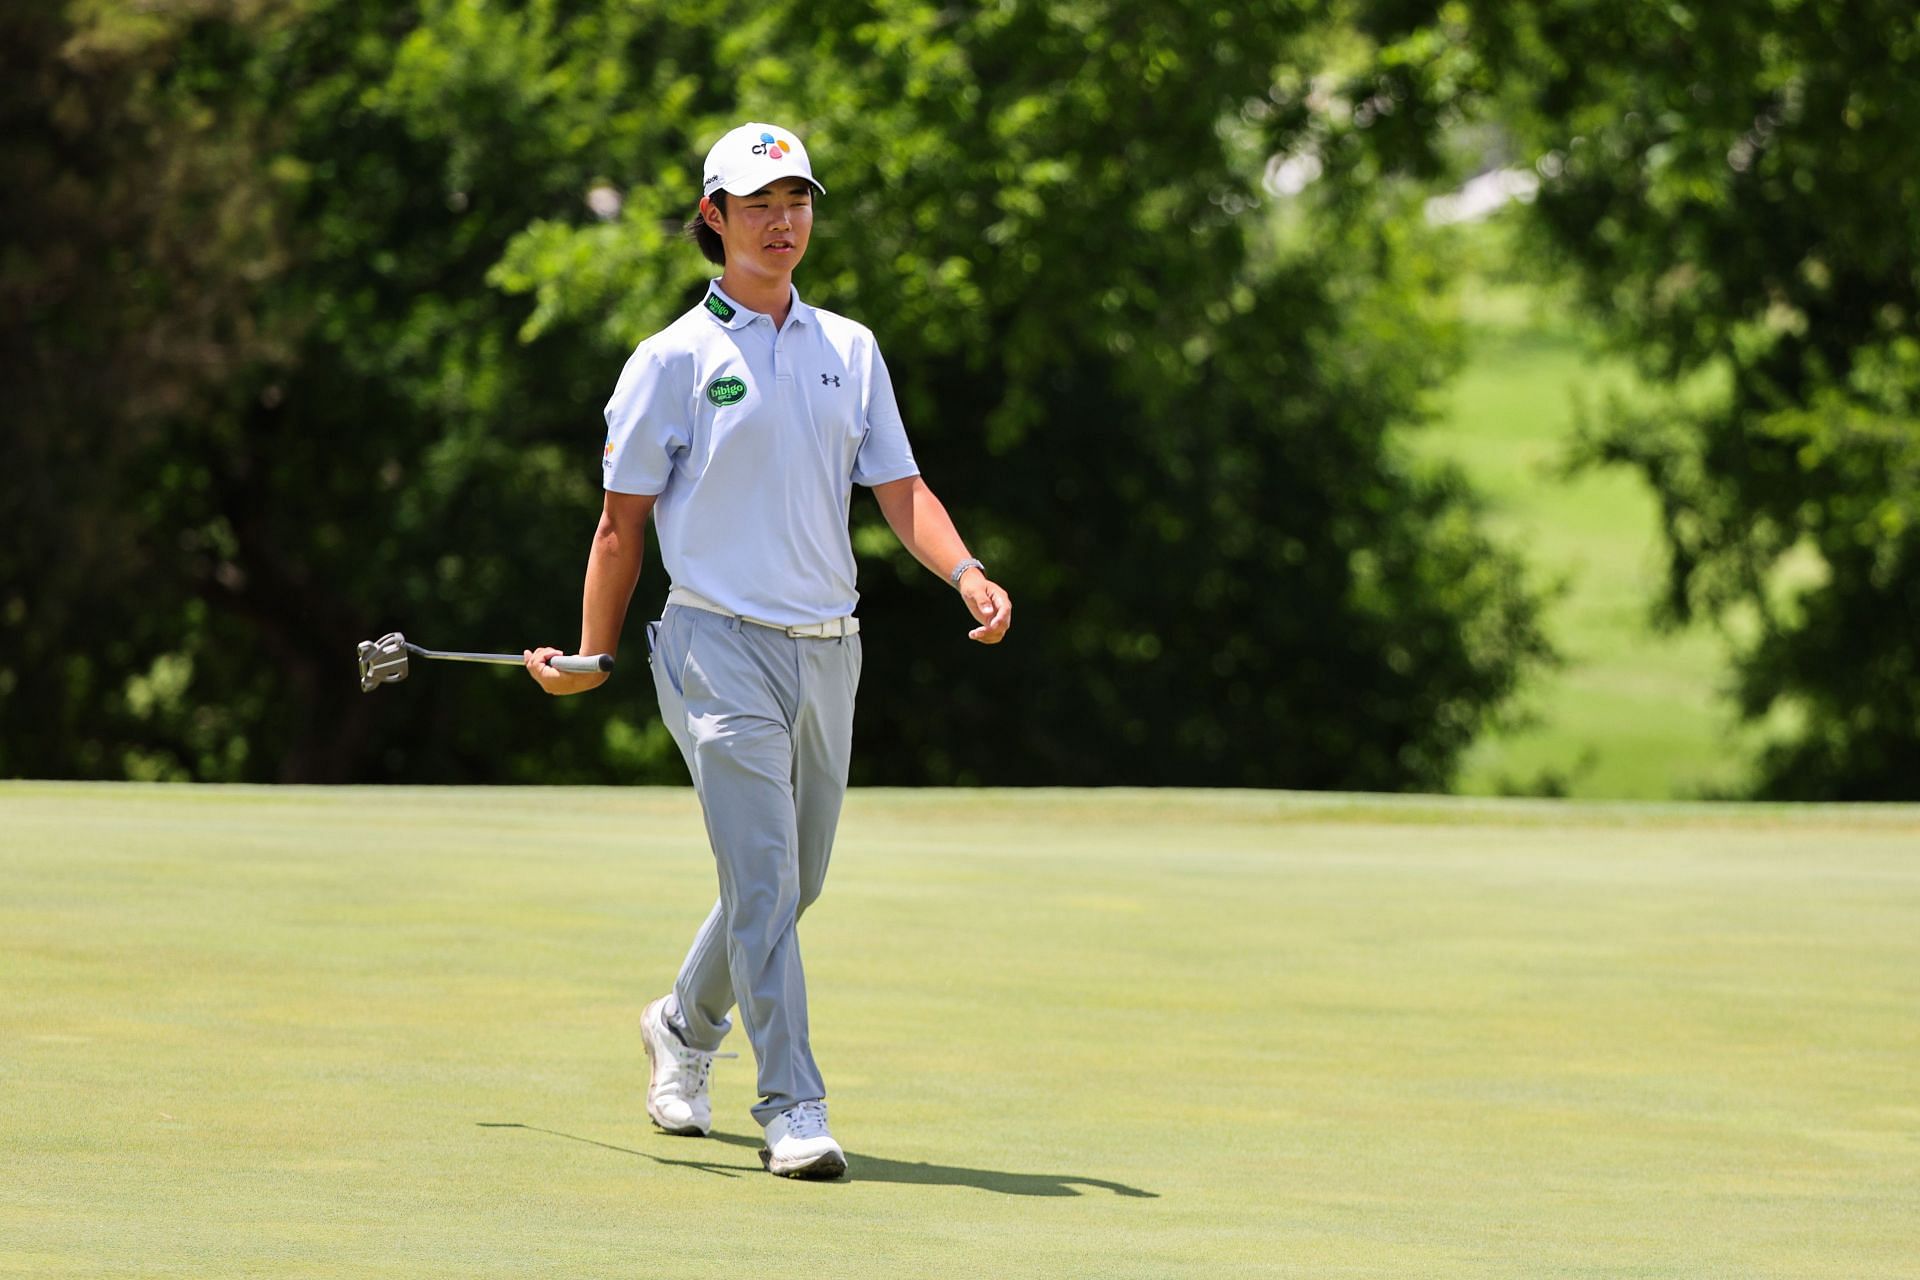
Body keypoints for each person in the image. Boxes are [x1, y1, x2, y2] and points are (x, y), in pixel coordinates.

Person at [522, 121, 1011, 1180]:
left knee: (793, 881)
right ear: (715, 218)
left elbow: (899, 488)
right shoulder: (672, 360)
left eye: (797, 200)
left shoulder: (851, 348)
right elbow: (620, 525)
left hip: (831, 646)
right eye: (759, 204)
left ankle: (681, 1024)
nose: (783, 221)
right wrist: (594, 653)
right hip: (713, 646)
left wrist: (966, 570)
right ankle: (793, 1105)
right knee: (763, 872)